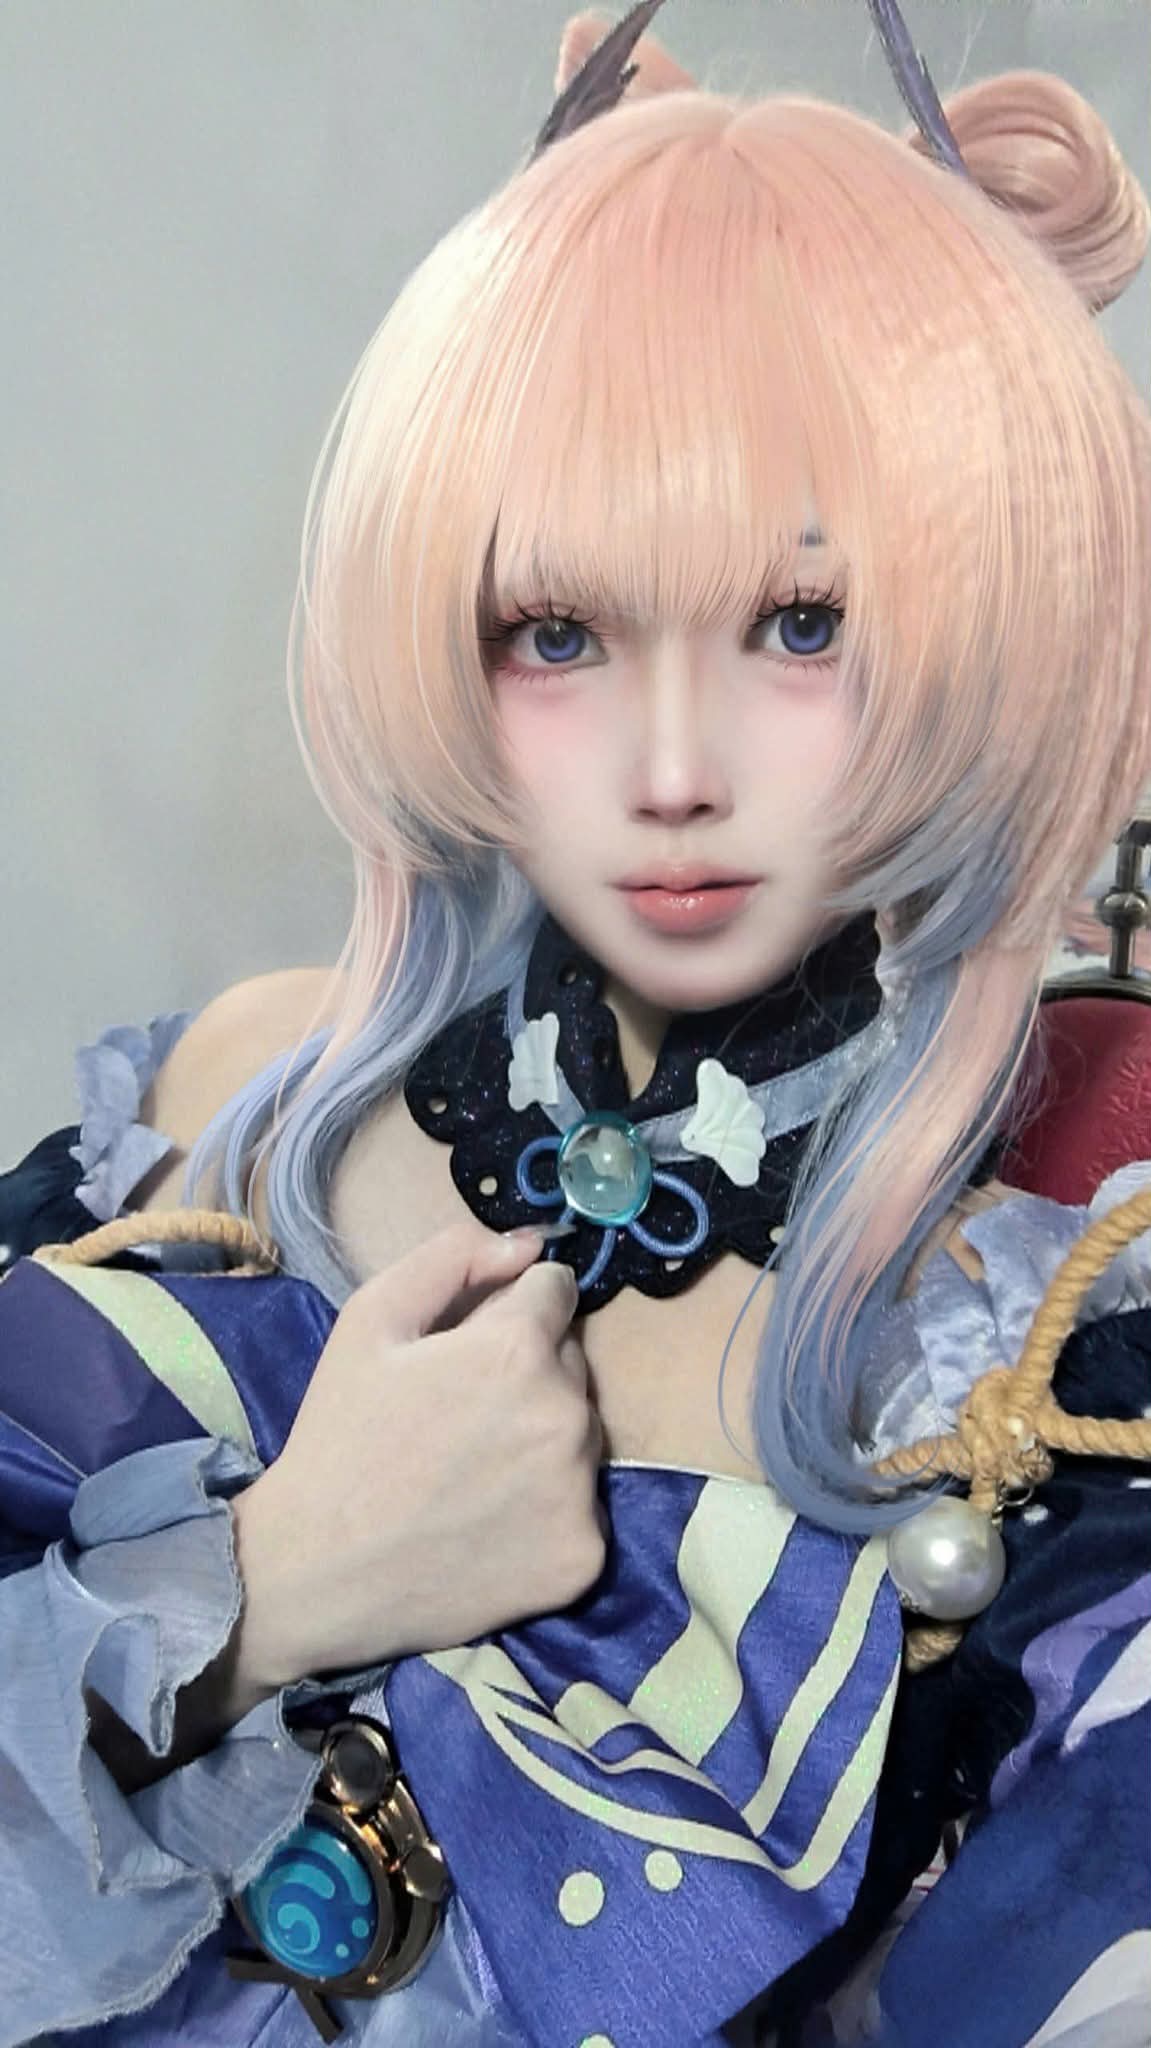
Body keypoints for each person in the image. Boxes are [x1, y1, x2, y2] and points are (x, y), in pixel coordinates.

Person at [2, 4, 1150, 2043]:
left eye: (802, 623)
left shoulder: (1035, 1348)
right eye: (562, 629)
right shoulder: (218, 1119)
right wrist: (280, 1581)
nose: (674, 769)